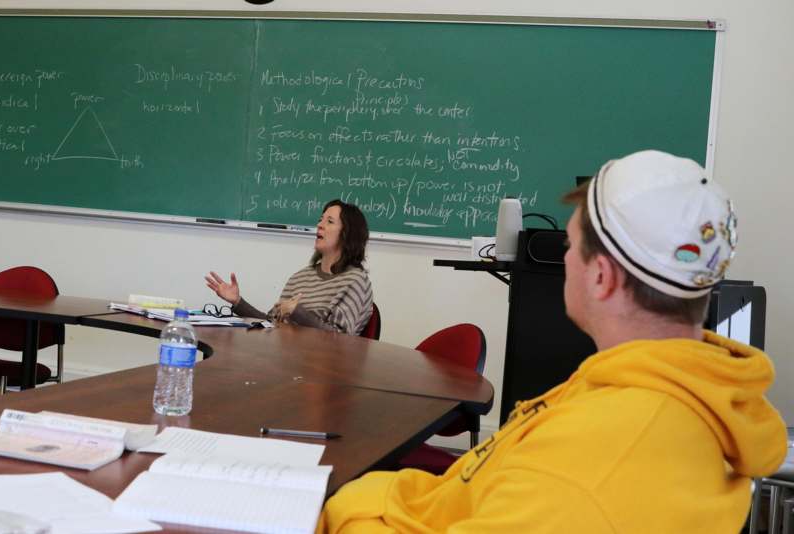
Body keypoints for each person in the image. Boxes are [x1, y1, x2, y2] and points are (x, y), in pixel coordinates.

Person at [317, 151, 788, 533]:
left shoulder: (597, 464)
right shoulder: (653, 388)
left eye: (570, 245)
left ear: (600, 277)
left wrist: (338, 508)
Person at [205, 199, 373, 336]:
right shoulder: (300, 277)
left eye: (329, 221)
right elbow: (271, 324)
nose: (320, 225)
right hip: (288, 360)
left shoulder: (355, 281)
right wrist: (238, 302)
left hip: (325, 371)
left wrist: (297, 312)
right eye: (320, 220)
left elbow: (341, 340)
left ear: (348, 234)